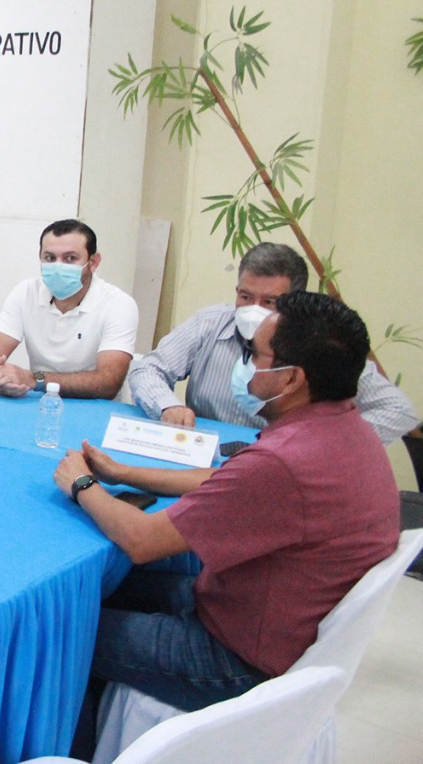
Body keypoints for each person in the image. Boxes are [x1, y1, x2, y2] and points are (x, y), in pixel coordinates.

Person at [53, 291, 400, 756]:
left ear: (292, 378)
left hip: (233, 659)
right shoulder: (345, 430)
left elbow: (141, 539)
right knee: (107, 586)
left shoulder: (283, 461)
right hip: (261, 616)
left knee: (60, 632)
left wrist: (82, 485)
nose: (244, 365)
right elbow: (224, 481)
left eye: (254, 354)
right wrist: (123, 473)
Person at [128, 242, 417, 444]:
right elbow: (148, 368)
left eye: (269, 302)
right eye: (245, 296)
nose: (254, 309)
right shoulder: (210, 323)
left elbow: (398, 411)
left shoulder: (319, 346)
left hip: (282, 462)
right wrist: (167, 406)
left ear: (294, 302)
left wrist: (325, 443)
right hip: (204, 453)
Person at [0, 219, 137, 399]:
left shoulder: (118, 304)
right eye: (50, 258)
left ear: (93, 262)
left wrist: (34, 379)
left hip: (96, 406)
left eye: (70, 258)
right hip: (40, 401)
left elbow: (107, 383)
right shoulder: (26, 293)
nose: (58, 267)